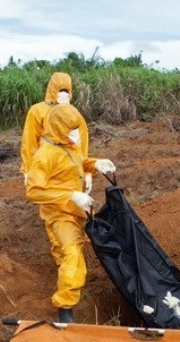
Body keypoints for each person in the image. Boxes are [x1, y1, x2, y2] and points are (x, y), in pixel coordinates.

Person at [26, 104, 116, 324]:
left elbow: (78, 163)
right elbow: (34, 191)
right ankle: (65, 307)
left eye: (77, 128)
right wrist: (71, 196)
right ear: (59, 127)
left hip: (76, 209)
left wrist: (95, 164)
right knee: (72, 254)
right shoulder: (44, 156)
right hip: (60, 213)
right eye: (71, 129)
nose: (76, 134)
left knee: (65, 250)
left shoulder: (67, 144)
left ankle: (63, 273)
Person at [20, 72, 90, 186]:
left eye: (66, 91)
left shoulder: (73, 112)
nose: (63, 94)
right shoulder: (37, 110)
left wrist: (85, 170)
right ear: (52, 90)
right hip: (47, 163)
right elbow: (29, 141)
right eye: (60, 90)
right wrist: (28, 170)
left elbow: (81, 142)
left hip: (69, 165)